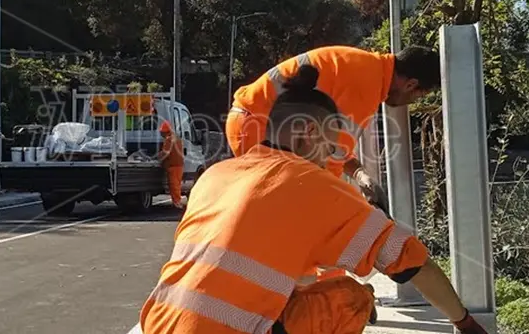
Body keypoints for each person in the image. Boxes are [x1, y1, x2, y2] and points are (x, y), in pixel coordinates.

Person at [138, 65, 488, 334]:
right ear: (308, 133)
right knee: (352, 298)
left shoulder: (216, 174)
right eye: (331, 147)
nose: (331, 158)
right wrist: (466, 322)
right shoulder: (316, 185)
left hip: (160, 322)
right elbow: (413, 263)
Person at [226, 45, 440, 200]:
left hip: (251, 122)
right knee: (301, 207)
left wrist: (358, 173)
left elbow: (332, 149)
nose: (411, 103)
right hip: (256, 127)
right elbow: (331, 165)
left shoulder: (367, 67)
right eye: (418, 97)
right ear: (411, 85)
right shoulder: (367, 87)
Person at [159, 121, 185, 209]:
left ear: (165, 131)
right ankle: (178, 201)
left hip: (172, 165)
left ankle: (177, 202)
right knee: (177, 184)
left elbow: (166, 153)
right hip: (179, 165)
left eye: (161, 132)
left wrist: (158, 159)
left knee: (174, 185)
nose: (161, 134)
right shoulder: (177, 138)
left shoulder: (168, 139)